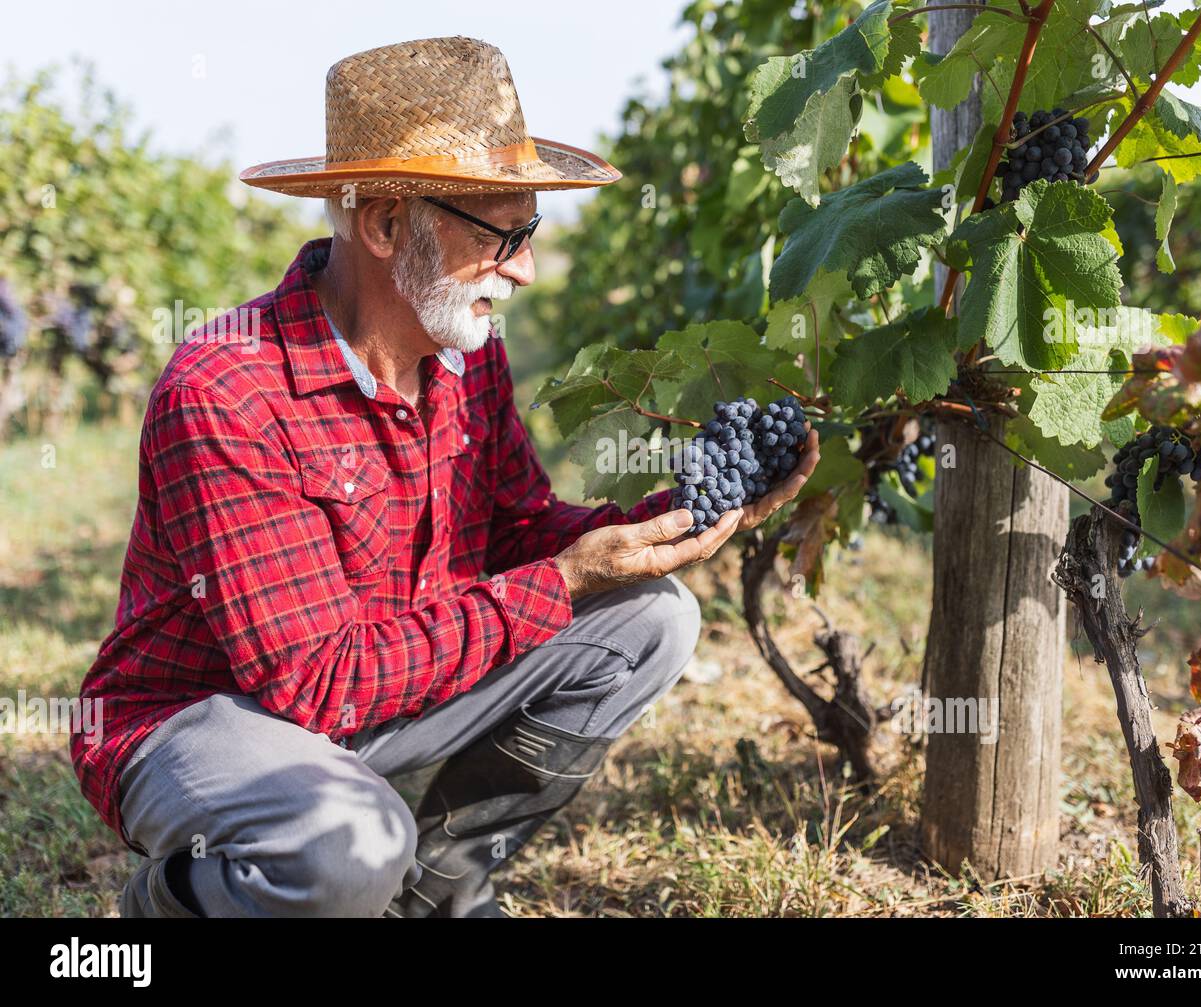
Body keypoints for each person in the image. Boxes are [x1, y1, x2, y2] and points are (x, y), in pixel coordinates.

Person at [71, 35, 819, 918]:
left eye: (531, 231)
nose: (527, 267)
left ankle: (438, 888)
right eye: (502, 234)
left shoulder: (466, 358)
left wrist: (671, 524)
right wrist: (568, 577)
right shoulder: (229, 391)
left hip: (380, 687)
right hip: (211, 714)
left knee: (652, 620)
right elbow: (316, 686)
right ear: (388, 225)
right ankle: (160, 911)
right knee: (348, 848)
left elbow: (516, 531)